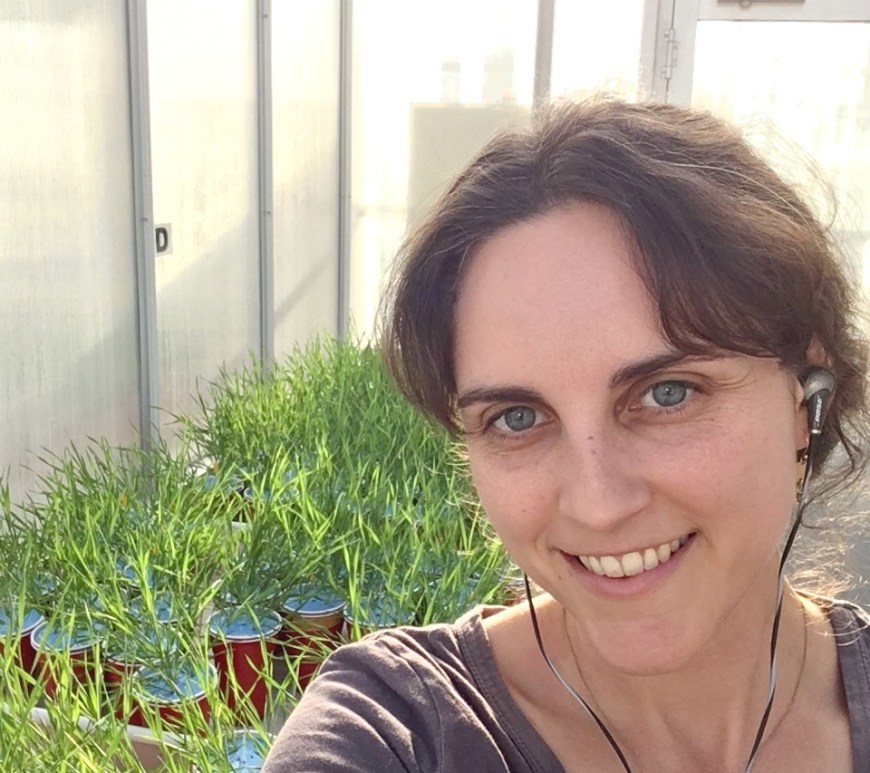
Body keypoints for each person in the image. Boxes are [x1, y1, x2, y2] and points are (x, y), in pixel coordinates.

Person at [262, 99, 870, 772]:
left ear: (806, 396)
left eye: (667, 394)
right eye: (517, 418)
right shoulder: (397, 732)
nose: (598, 505)